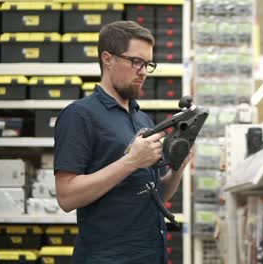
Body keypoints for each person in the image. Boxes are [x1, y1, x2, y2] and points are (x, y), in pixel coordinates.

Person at [54, 21, 188, 263]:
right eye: (136, 62)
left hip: (150, 254)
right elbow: (66, 197)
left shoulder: (142, 119)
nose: (144, 71)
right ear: (108, 59)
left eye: (148, 64)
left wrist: (178, 168)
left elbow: (157, 194)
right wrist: (131, 162)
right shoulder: (79, 115)